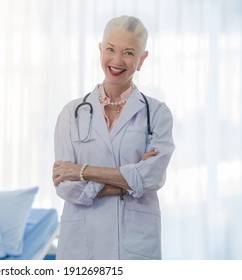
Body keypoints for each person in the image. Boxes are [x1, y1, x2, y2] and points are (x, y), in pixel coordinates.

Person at [52, 15, 175, 260]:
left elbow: (151, 177)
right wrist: (128, 182)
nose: (117, 61)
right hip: (81, 243)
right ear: (100, 50)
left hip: (134, 243)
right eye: (110, 49)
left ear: (142, 59)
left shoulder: (158, 114)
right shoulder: (71, 113)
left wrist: (83, 171)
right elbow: (64, 184)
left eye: (129, 53)